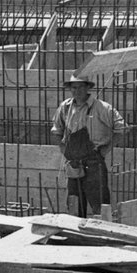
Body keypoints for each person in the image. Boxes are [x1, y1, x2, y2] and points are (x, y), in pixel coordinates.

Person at [51, 74, 125, 218]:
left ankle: (104, 235)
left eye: (80, 87)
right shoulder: (65, 107)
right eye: (73, 87)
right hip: (73, 163)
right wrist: (64, 151)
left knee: (100, 205)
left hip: (93, 162)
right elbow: (56, 131)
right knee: (74, 204)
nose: (76, 91)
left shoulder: (101, 108)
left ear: (87, 88)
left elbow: (121, 129)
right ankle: (77, 235)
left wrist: (105, 150)